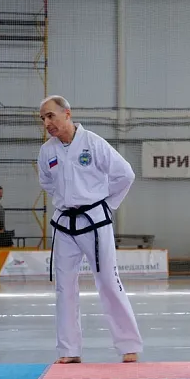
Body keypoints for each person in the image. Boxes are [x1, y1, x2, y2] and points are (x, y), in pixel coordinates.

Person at [37, 95, 143, 364]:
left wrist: (106, 203)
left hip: (95, 221)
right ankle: (69, 350)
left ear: (67, 114)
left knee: (108, 281)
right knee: (64, 287)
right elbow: (47, 183)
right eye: (43, 118)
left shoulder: (93, 143)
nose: (47, 123)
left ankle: (129, 345)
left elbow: (125, 174)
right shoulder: (47, 151)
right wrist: (67, 198)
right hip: (64, 223)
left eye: (51, 116)